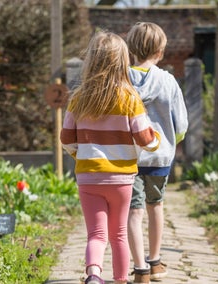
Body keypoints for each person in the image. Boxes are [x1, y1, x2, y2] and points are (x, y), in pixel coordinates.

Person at [60, 31, 161, 284]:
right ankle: (120, 280)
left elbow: (66, 138)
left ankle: (93, 274)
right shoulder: (130, 99)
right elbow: (145, 139)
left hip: (88, 177)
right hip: (121, 178)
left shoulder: (78, 99)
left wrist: (80, 154)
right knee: (118, 235)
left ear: (91, 61)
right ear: (122, 62)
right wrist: (157, 140)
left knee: (96, 234)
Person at [126, 22, 189, 284]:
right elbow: (182, 123)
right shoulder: (168, 81)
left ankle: (139, 269)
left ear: (130, 49)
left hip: (128, 156)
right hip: (160, 155)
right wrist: (174, 141)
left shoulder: (122, 80)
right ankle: (155, 262)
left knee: (134, 211)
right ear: (161, 51)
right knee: (156, 206)